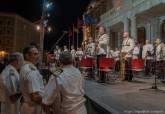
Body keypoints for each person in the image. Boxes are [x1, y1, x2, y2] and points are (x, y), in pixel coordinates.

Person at [20, 45, 44, 114]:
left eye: (38, 54)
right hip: (32, 108)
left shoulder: (25, 67)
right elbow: (35, 97)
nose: (38, 56)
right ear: (27, 56)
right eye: (35, 54)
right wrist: (47, 102)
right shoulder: (31, 71)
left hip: (27, 106)